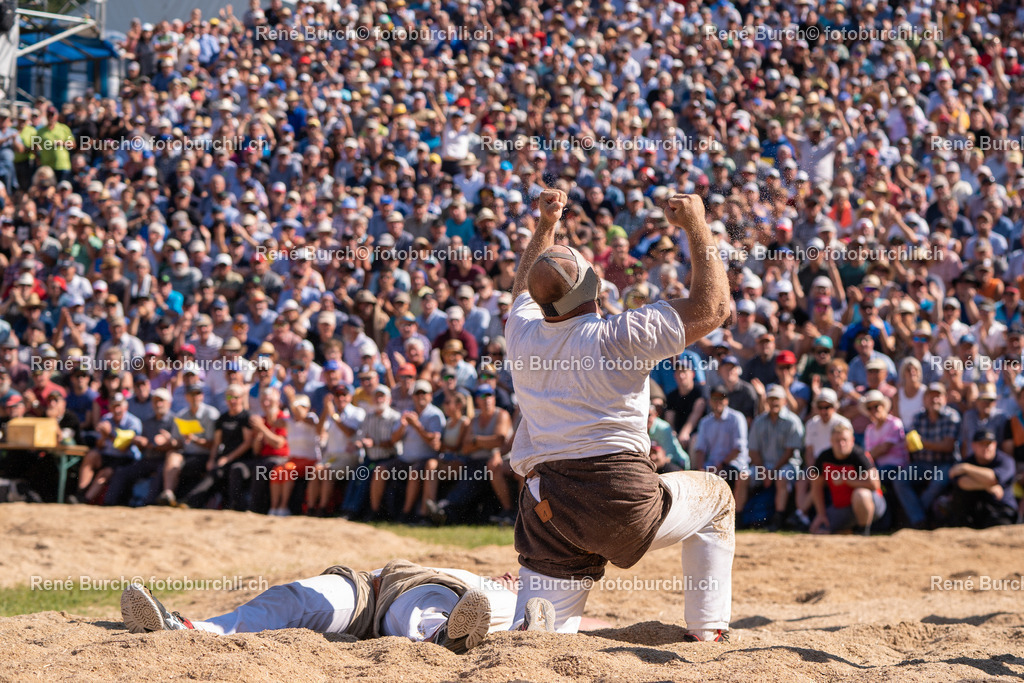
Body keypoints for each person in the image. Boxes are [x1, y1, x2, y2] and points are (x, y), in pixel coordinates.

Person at [505, 190, 734, 641]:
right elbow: (715, 309)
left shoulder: (522, 336)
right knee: (717, 497)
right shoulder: (619, 337)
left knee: (541, 638)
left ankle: (534, 631)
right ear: (593, 286)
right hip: (618, 498)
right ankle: (707, 633)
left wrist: (545, 225)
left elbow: (524, 291)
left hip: (546, 508)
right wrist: (697, 227)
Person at [120, 560, 558, 654]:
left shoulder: (507, 598)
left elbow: (555, 615)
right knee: (288, 599)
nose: (511, 576)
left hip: (427, 597)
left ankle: (444, 639)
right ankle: (186, 627)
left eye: (518, 577)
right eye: (512, 572)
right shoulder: (484, 582)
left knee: (426, 609)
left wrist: (534, 621)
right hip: (367, 587)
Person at [948, 429, 1018, 528]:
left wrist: (967, 468)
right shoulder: (968, 460)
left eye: (988, 444)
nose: (986, 448)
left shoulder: (1006, 461)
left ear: (995, 445)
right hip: (976, 511)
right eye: (981, 444)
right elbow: (961, 482)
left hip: (1000, 510)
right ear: (973, 445)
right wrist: (986, 486)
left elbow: (993, 478)